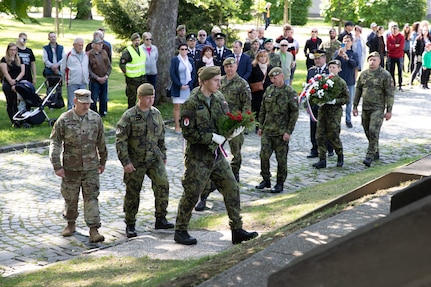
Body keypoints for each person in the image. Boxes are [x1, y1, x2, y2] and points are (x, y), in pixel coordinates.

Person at [174, 66, 258, 245]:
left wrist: (232, 131)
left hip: (217, 156)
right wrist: (210, 137)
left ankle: (237, 229)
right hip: (198, 158)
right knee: (192, 193)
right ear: (204, 81)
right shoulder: (192, 103)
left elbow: (224, 122)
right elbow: (188, 133)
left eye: (220, 80)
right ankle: (180, 230)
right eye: (215, 80)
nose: (219, 83)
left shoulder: (219, 98)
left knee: (232, 187)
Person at [116, 83, 174, 238]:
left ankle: (160, 218)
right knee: (133, 192)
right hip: (136, 160)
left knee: (163, 184)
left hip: (154, 158)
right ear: (140, 97)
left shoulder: (156, 114)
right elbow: (120, 141)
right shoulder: (129, 116)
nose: (151, 100)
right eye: (148, 97)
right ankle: (130, 223)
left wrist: (164, 154)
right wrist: (125, 162)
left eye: (152, 97)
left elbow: (161, 136)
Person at [49, 89, 107, 243]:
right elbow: (55, 143)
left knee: (91, 198)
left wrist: (103, 161)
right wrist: (57, 165)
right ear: (75, 101)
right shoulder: (64, 120)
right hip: (70, 168)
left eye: (88, 103)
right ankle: (70, 223)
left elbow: (101, 142)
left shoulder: (95, 119)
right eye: (83, 103)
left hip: (91, 167)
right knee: (70, 198)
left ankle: (94, 230)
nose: (86, 106)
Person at [194, 58, 252, 211]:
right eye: (226, 66)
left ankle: (234, 176)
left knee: (236, 153)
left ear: (236, 66)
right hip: (219, 125)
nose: (229, 69)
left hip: (235, 125)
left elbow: (247, 105)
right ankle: (204, 196)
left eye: (231, 66)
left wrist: (242, 123)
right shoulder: (220, 81)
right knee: (211, 157)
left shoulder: (242, 84)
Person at [255, 67, 299, 193]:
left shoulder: (289, 92)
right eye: (271, 78)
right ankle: (266, 179)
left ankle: (280, 183)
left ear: (282, 76)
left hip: (281, 133)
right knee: (263, 155)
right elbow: (263, 110)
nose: (273, 80)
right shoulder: (269, 90)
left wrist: (288, 131)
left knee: (281, 159)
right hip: (268, 131)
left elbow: (294, 113)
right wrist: (260, 126)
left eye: (275, 77)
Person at [353, 52, 394, 167]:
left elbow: (390, 94)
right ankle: (375, 150)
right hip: (365, 108)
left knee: (373, 130)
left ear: (379, 61)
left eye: (374, 60)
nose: (372, 62)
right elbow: (358, 91)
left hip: (378, 108)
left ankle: (369, 155)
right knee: (367, 130)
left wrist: (389, 110)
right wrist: (355, 106)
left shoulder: (385, 75)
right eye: (370, 60)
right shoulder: (364, 74)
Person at [312, 60, 350, 169]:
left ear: (339, 69)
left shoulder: (341, 82)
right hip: (323, 111)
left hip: (334, 112)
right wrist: (319, 99)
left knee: (333, 134)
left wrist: (335, 101)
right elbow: (316, 92)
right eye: (330, 67)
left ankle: (340, 155)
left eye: (334, 67)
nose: (332, 69)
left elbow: (346, 99)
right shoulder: (323, 80)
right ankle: (322, 159)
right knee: (320, 135)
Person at [305, 50, 334, 158]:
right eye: (315, 59)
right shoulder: (311, 71)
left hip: (326, 104)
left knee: (327, 127)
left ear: (324, 58)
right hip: (314, 104)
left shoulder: (329, 70)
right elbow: (307, 88)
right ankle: (314, 149)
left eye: (319, 58)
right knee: (313, 126)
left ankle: (329, 148)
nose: (317, 61)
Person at [169, 43, 196, 134]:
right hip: (178, 87)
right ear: (179, 50)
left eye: (185, 49)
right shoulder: (175, 60)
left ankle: (187, 125)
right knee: (177, 106)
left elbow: (193, 74)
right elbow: (172, 73)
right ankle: (177, 126)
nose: (184, 51)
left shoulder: (190, 60)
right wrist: (180, 85)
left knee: (188, 108)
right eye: (182, 49)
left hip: (188, 87)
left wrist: (189, 84)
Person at [333, 34, 358, 128]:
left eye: (348, 41)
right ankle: (337, 119)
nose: (346, 43)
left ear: (351, 42)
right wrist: (339, 56)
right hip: (339, 81)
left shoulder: (353, 54)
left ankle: (348, 119)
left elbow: (355, 64)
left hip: (349, 80)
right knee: (337, 100)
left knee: (349, 101)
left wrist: (347, 59)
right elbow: (332, 64)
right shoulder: (337, 52)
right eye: (344, 41)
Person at [60, 37, 89, 110]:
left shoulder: (86, 55)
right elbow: (63, 68)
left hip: (83, 82)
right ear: (74, 45)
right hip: (72, 82)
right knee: (72, 103)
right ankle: (70, 119)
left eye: (82, 45)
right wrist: (64, 79)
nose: (81, 47)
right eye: (79, 45)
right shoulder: (68, 55)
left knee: (83, 102)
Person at [0, 43, 25, 128]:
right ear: (8, 50)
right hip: (8, 83)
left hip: (18, 82)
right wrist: (11, 81)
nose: (13, 52)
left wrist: (16, 80)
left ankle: (20, 119)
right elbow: (5, 72)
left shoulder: (19, 59)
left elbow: (22, 71)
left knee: (18, 102)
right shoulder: (4, 60)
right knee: (11, 102)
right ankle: (13, 120)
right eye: (11, 50)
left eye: (15, 50)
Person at [119, 33, 146, 109]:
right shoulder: (127, 51)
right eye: (135, 40)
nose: (137, 42)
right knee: (132, 97)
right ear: (132, 41)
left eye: (138, 40)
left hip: (142, 77)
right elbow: (122, 64)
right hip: (132, 79)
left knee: (142, 95)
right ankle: (131, 112)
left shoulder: (141, 49)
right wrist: (126, 73)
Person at [248, 50, 273, 124]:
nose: (263, 58)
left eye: (264, 57)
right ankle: (257, 124)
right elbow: (250, 79)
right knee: (257, 108)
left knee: (267, 107)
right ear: (258, 58)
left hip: (267, 90)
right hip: (257, 91)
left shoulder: (269, 67)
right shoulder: (254, 66)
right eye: (261, 57)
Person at [88, 37, 111, 116]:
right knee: (94, 97)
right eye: (99, 44)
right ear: (93, 45)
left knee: (103, 96)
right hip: (94, 80)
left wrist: (106, 76)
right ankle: (94, 112)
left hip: (104, 78)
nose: (101, 45)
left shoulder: (104, 52)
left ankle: (103, 111)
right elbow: (89, 69)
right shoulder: (90, 54)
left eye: (101, 44)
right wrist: (97, 78)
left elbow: (109, 66)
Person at [386, 24, 405, 91]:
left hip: (399, 56)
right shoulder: (389, 37)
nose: (394, 30)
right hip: (391, 56)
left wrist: (393, 46)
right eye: (393, 29)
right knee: (391, 71)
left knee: (400, 70)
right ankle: (393, 84)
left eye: (395, 29)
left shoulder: (401, 37)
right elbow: (388, 47)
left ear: (398, 29)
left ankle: (400, 84)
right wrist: (395, 45)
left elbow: (401, 47)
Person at [141, 32, 158, 98]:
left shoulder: (154, 48)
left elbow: (156, 58)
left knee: (152, 89)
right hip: (144, 72)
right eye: (147, 39)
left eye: (150, 39)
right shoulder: (141, 48)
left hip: (153, 72)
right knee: (145, 90)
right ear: (143, 40)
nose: (149, 41)